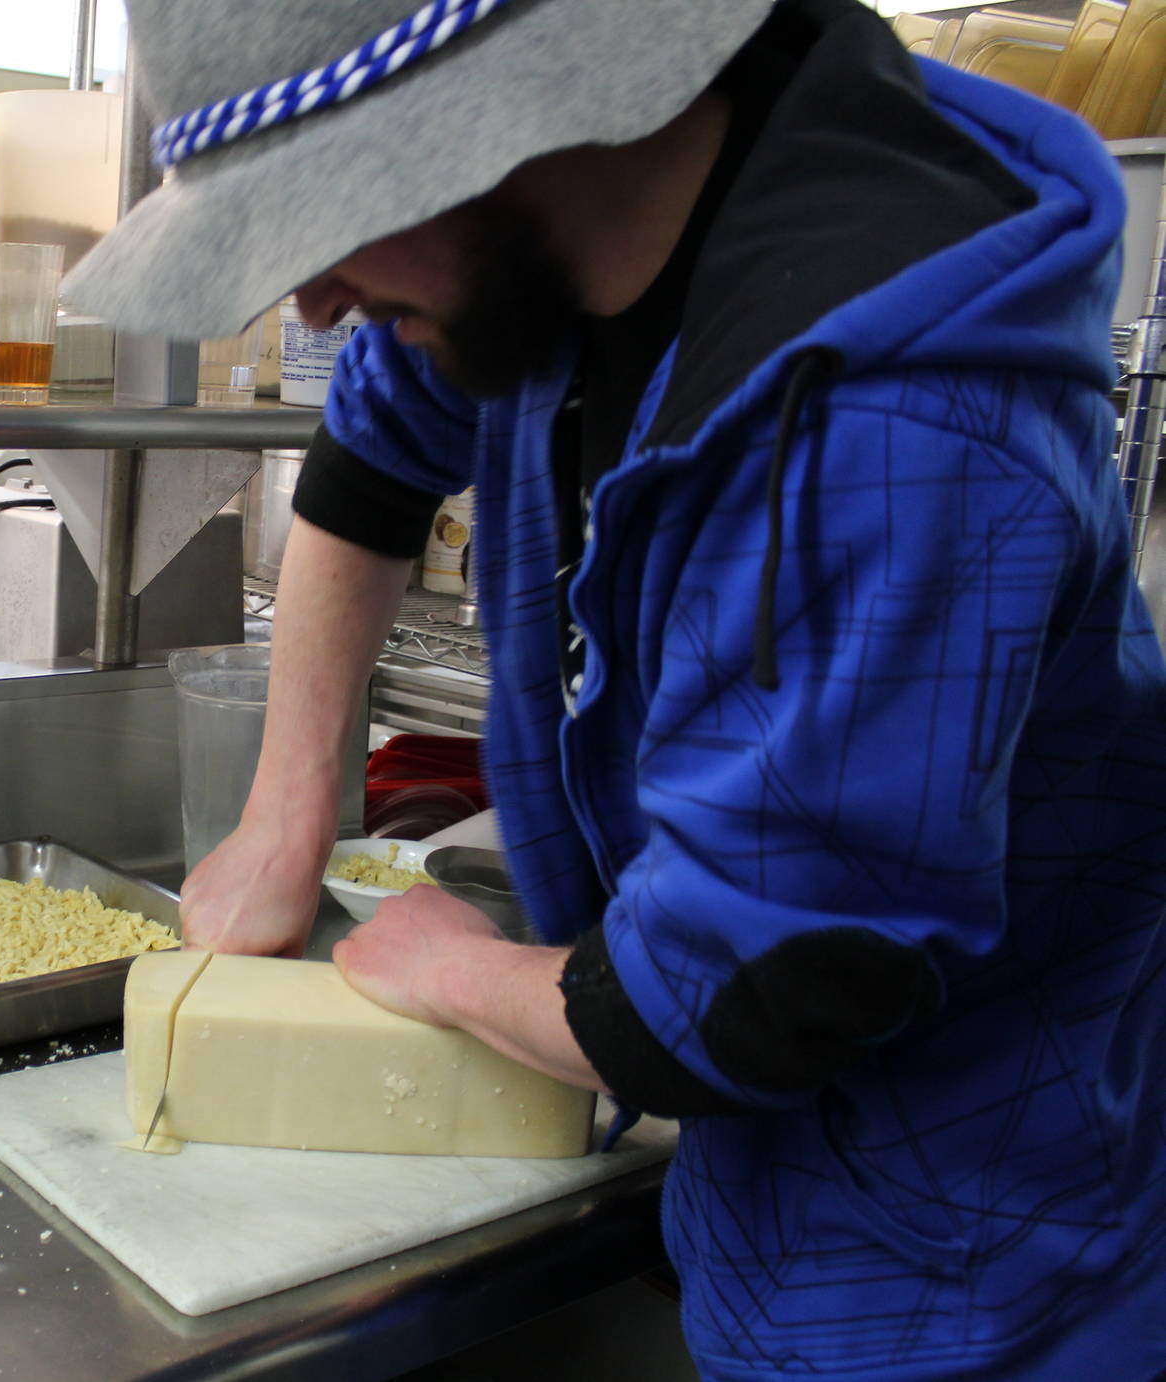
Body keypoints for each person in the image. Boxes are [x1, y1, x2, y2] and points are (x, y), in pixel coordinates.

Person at [64, 0, 1166, 1377]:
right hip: (760, 1177)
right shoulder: (563, 244)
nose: (311, 300)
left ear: (488, 132)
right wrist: (290, 810)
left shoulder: (886, 414)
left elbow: (756, 997)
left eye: (317, 225)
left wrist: (456, 967)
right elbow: (371, 450)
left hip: (954, 1268)